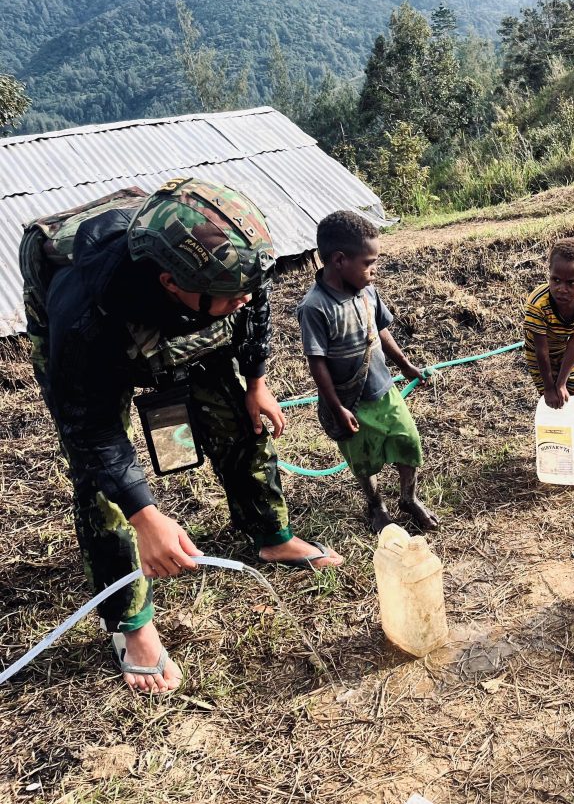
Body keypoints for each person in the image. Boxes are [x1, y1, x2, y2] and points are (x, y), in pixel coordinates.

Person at [19, 178, 343, 695]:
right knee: (99, 480)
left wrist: (257, 382)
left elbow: (253, 304)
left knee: (238, 413)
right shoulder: (85, 317)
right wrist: (146, 515)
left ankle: (272, 537)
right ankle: (131, 624)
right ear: (173, 283)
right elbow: (92, 430)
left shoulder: (228, 270)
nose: (244, 298)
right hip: (85, 312)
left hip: (188, 305)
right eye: (229, 294)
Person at [297, 211, 438, 532]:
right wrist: (337, 407)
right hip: (349, 401)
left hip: (383, 389)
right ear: (339, 260)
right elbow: (316, 363)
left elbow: (382, 330)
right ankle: (376, 506)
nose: (373, 272)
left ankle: (408, 498)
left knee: (408, 441)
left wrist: (405, 365)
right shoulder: (315, 307)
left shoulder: (367, 292)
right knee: (362, 459)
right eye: (368, 263)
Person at [523, 237, 574, 473]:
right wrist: (550, 387)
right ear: (548, 274)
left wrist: (563, 383)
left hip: (567, 350)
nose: (562, 288)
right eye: (555, 280)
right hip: (540, 353)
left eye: (571, 283)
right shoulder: (538, 304)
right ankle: (552, 444)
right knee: (552, 401)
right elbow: (541, 349)